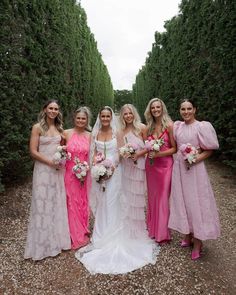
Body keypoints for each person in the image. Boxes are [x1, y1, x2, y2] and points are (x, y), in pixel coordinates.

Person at [75, 106, 159, 274]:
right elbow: (93, 153)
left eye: (108, 116)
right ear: (100, 117)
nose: (105, 118)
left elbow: (121, 152)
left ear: (111, 117)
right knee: (102, 203)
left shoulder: (117, 132)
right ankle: (100, 235)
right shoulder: (95, 133)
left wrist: (111, 168)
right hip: (100, 173)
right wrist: (97, 169)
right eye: (103, 116)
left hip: (115, 172)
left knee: (113, 202)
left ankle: (114, 233)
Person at [168, 99, 220, 260]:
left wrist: (195, 158)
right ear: (179, 111)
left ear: (195, 109)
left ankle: (198, 242)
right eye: (183, 109)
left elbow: (209, 150)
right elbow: (175, 147)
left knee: (196, 202)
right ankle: (187, 235)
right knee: (182, 200)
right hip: (179, 169)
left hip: (195, 170)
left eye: (189, 109)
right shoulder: (177, 127)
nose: (186, 112)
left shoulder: (202, 126)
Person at [24, 100, 70, 260]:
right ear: (45, 109)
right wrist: (51, 162)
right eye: (50, 108)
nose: (53, 111)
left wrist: (63, 158)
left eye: (56, 109)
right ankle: (40, 246)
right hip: (43, 170)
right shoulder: (37, 127)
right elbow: (33, 151)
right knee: (41, 203)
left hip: (57, 171)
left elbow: (65, 147)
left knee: (55, 202)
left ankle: (56, 241)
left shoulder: (60, 129)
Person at [144, 98, 176, 244]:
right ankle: (153, 228)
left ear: (162, 108)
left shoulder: (169, 126)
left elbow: (174, 148)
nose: (156, 110)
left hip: (165, 165)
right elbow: (145, 148)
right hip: (151, 167)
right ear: (150, 110)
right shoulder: (148, 128)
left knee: (163, 197)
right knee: (153, 197)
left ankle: (162, 233)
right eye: (153, 108)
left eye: (158, 107)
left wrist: (159, 154)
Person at [64, 107, 91, 249]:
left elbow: (92, 156)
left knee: (82, 201)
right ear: (74, 119)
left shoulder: (90, 136)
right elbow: (60, 151)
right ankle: (73, 233)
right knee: (71, 201)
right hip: (69, 173)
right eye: (78, 118)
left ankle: (83, 228)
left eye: (83, 118)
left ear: (87, 120)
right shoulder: (66, 133)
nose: (80, 121)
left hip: (84, 174)